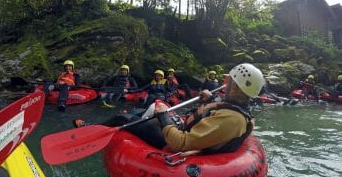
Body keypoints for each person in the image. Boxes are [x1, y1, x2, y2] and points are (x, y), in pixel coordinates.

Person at [100, 63, 265, 153]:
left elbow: (181, 143)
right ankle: (139, 123)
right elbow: (219, 112)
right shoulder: (235, 109)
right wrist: (211, 98)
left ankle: (92, 129)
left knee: (123, 119)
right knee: (145, 109)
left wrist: (164, 117)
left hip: (173, 142)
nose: (225, 85)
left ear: (235, 88)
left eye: (229, 82)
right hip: (184, 129)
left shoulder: (231, 120)